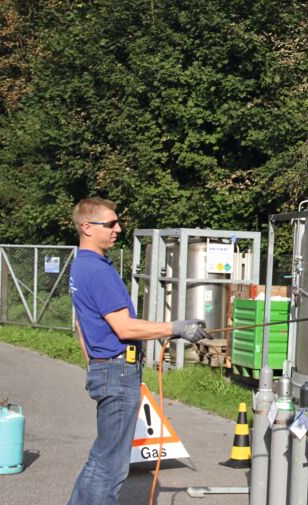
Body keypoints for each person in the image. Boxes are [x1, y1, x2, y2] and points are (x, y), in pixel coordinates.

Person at [67, 197, 209, 505]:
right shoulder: (98, 272)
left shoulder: (82, 265)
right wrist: (176, 328)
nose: (118, 229)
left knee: (103, 457)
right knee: (111, 464)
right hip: (117, 372)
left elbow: (81, 325)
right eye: (111, 224)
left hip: (107, 368)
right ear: (88, 228)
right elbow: (124, 328)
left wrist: (96, 364)